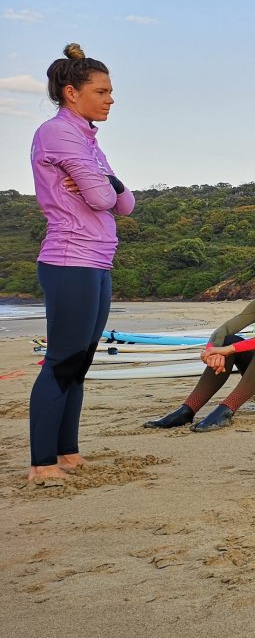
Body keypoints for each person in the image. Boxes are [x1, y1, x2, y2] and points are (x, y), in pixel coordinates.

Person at [28, 44, 134, 485]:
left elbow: (124, 202)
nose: (111, 99)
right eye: (102, 91)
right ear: (72, 93)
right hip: (69, 258)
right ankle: (42, 464)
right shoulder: (58, 134)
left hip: (98, 260)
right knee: (62, 360)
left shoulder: (88, 139)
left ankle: (67, 453)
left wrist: (107, 183)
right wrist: (106, 187)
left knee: (81, 361)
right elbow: (102, 198)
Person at [144, 251, 255, 432]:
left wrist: (230, 349)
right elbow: (225, 329)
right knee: (227, 340)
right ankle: (187, 410)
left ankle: (226, 410)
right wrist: (212, 350)